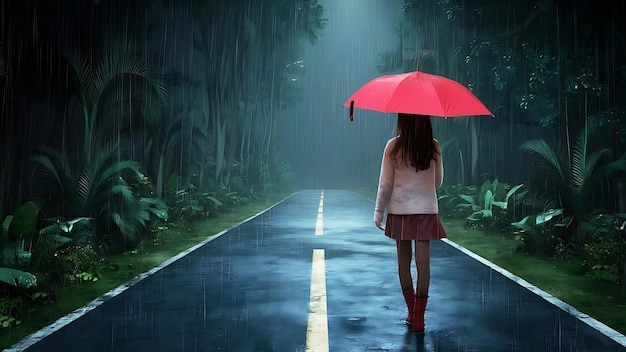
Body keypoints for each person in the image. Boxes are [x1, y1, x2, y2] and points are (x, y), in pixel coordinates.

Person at [374, 113, 446, 333]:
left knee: (403, 265)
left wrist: (378, 211)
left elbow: (385, 183)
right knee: (423, 265)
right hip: (426, 211)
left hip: (400, 211)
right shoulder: (433, 147)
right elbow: (438, 182)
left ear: (402, 119)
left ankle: (411, 312)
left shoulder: (393, 146)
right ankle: (419, 318)